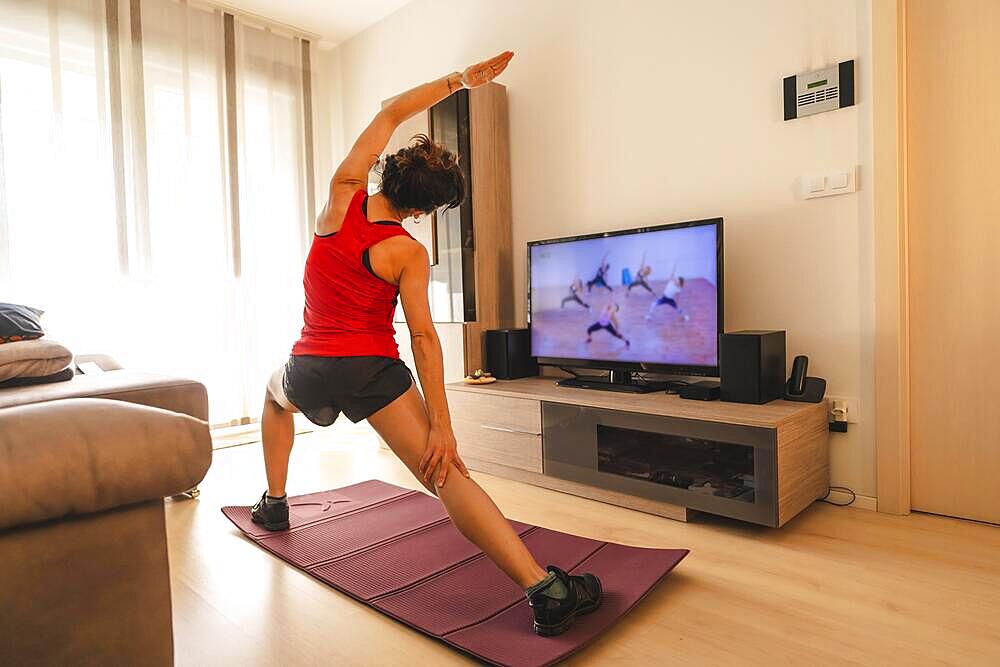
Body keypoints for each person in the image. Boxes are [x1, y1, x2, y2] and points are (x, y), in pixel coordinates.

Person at [248, 51, 601, 637]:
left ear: (387, 174)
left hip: (307, 366)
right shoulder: (409, 253)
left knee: (270, 396)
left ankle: (276, 502)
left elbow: (389, 114)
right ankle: (547, 589)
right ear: (421, 209)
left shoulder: (340, 201)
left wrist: (459, 80)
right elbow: (424, 339)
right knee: (445, 476)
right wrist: (443, 424)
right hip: (370, 371)